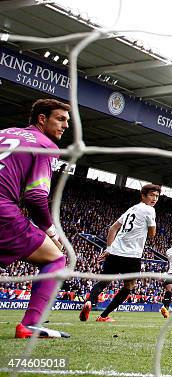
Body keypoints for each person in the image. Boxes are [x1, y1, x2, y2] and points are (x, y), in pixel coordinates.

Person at [0, 99, 71, 338]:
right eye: (60, 119)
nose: (65, 125)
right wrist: (51, 231)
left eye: (67, 121)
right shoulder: (44, 145)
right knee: (56, 258)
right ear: (42, 119)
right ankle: (29, 325)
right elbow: (35, 196)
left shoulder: (5, 132)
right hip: (2, 210)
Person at [79, 184, 159, 322]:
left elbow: (112, 229)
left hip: (115, 252)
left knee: (103, 281)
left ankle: (89, 302)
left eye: (157, 196)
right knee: (129, 287)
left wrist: (108, 249)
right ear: (143, 195)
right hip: (132, 256)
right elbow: (152, 234)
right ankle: (103, 316)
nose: (155, 199)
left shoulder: (131, 210)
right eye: (152, 195)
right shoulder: (149, 210)